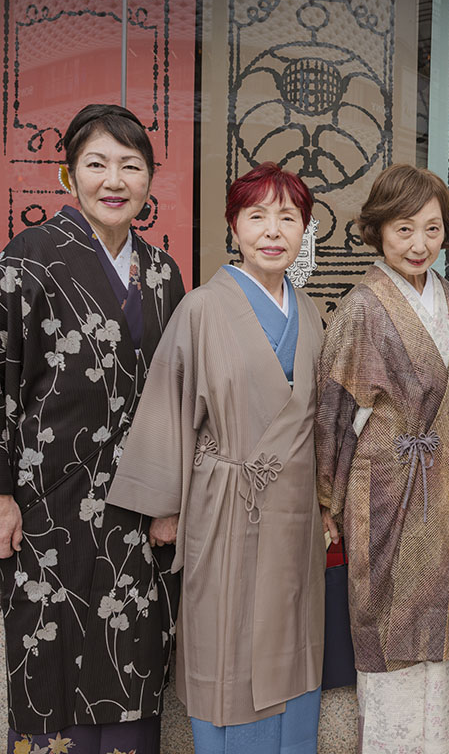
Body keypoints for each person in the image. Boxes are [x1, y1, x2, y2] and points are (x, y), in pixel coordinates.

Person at [107, 162, 326, 753]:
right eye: (257, 216)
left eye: (288, 218)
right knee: (227, 637)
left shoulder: (310, 313)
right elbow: (169, 402)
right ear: (234, 227)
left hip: (297, 510)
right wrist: (166, 506)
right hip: (227, 502)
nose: (273, 231)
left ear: (304, 230)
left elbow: (324, 419)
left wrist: (329, 498)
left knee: (293, 633)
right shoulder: (202, 308)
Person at [0, 104, 185, 753]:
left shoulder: (162, 273)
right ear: (69, 174)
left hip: (137, 507)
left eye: (130, 166)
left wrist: (170, 500)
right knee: (48, 643)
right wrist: (0, 493)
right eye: (97, 164)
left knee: (131, 648)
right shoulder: (29, 257)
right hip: (46, 501)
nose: (114, 180)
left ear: (149, 180)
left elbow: (176, 399)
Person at [315, 164, 449, 754]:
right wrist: (327, 499)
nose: (418, 244)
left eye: (431, 229)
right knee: (385, 622)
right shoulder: (362, 306)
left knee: (443, 626)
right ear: (379, 229)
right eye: (404, 229)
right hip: (383, 490)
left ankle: (439, 743)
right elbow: (333, 412)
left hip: (446, 486)